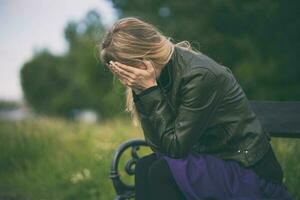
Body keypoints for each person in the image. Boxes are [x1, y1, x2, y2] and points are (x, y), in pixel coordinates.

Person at [99, 17, 293, 200]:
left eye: (128, 69)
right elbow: (159, 147)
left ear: (143, 59)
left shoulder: (198, 76)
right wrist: (142, 93)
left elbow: (175, 149)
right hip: (212, 161)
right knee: (144, 166)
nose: (129, 78)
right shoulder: (158, 78)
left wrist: (149, 92)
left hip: (248, 171)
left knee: (161, 172)